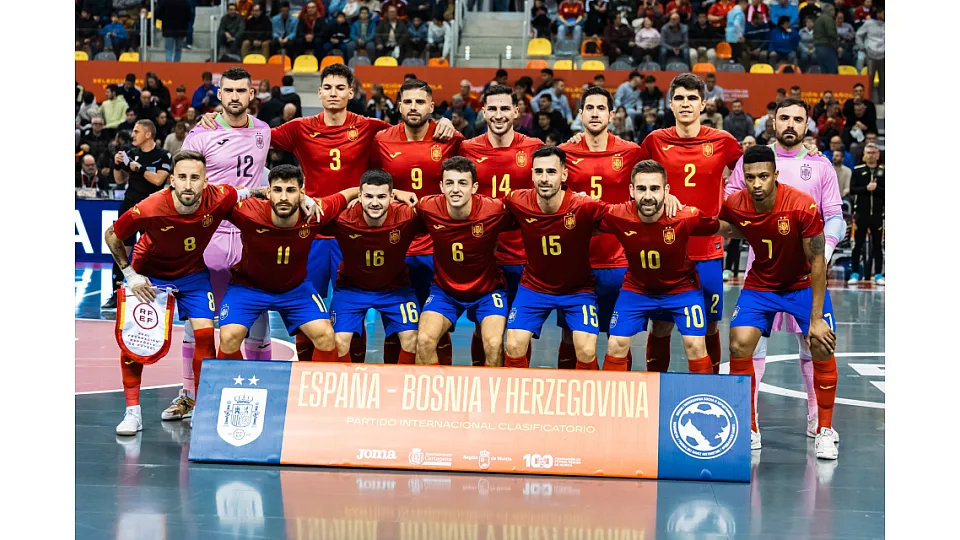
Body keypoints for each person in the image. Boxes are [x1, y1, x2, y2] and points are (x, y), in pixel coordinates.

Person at [197, 65, 455, 362]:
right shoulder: (299, 128)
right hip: (312, 230)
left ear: (351, 92)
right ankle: (308, 376)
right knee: (307, 315)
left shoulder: (370, 127)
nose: (334, 93)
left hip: (354, 231)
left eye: (340, 88)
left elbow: (411, 128)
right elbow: (253, 134)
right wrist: (218, 118)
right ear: (319, 93)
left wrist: (443, 122)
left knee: (352, 311)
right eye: (328, 87)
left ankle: (354, 378)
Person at [725, 97, 845, 447]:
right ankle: (748, 422)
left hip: (805, 273)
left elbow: (834, 215)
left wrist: (825, 251)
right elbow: (730, 210)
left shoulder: (820, 165)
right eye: (784, 118)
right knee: (750, 345)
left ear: (807, 125)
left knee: (812, 343)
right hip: (761, 271)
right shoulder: (752, 162)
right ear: (773, 122)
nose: (790, 124)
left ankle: (817, 419)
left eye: (797, 119)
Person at [104, 151, 238, 435]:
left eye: (195, 178)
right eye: (182, 177)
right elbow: (112, 235)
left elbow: (250, 193)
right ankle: (132, 412)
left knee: (205, 335)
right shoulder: (151, 206)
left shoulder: (220, 196)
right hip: (149, 275)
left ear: (206, 181)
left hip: (193, 275)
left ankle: (202, 406)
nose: (188, 184)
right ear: (172, 180)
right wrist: (130, 275)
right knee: (135, 341)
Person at [166, 67, 272, 422]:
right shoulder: (201, 134)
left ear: (251, 94)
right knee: (197, 315)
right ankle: (189, 394)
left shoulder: (264, 131)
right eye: (229, 91)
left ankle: (259, 394)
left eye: (242, 91)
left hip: (250, 236)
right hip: (208, 235)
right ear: (220, 94)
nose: (235, 97)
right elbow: (183, 186)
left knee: (257, 312)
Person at [639, 73, 743, 374]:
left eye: (692, 98)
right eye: (680, 98)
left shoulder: (723, 142)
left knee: (709, 326)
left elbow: (752, 173)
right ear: (671, 104)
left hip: (707, 251)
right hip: (666, 252)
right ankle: (655, 387)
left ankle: (711, 389)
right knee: (661, 325)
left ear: (703, 104)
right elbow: (632, 181)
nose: (686, 104)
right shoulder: (655, 141)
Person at [216, 165, 354, 362]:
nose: (283, 197)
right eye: (277, 190)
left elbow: (349, 193)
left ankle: (317, 383)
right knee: (228, 337)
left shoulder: (315, 212)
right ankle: (230, 382)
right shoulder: (249, 212)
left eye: (291, 190)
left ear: (302, 194)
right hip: (248, 288)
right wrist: (253, 192)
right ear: (268, 192)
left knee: (326, 336)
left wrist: (395, 194)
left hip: (295, 290)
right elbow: (215, 197)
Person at [372, 79, 465, 364]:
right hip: (395, 243)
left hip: (437, 244)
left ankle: (440, 383)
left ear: (431, 106)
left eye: (420, 102)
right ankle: (394, 382)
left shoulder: (450, 138)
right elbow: (369, 184)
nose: (414, 107)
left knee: (437, 323)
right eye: (408, 102)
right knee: (395, 324)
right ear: (399, 106)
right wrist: (394, 193)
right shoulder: (382, 140)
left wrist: (448, 124)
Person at [599, 160, 719, 373]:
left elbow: (723, 227)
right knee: (616, 344)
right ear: (631, 190)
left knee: (696, 345)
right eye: (641, 189)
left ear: (666, 190)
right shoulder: (618, 214)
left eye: (654, 188)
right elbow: (585, 217)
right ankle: (618, 395)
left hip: (682, 289)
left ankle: (704, 392)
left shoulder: (686, 216)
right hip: (637, 289)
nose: (648, 196)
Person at [559, 86, 647, 370]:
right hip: (576, 263)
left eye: (601, 108)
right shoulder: (563, 154)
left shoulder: (631, 152)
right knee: (570, 336)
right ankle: (571, 393)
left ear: (611, 114)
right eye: (589, 108)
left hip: (618, 261)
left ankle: (618, 394)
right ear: (580, 114)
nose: (595, 113)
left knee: (619, 338)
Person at [458, 84, 543, 364]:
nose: (498, 114)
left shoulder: (534, 148)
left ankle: (516, 383)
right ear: (483, 112)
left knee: (519, 332)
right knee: (483, 327)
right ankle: (481, 377)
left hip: (522, 254)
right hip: (483, 254)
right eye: (492, 108)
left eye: (505, 108)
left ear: (516, 111)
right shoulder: (467, 149)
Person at [502, 146, 607, 370]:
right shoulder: (518, 200)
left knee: (586, 349)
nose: (544, 178)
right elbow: (484, 209)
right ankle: (519, 392)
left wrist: (665, 201)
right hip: (533, 288)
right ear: (532, 175)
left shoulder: (584, 205)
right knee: (513, 345)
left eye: (551, 172)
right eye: (539, 172)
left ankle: (586, 391)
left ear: (564, 175)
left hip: (577, 291)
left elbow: (625, 214)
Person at [416, 157, 514, 366]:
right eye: (449, 183)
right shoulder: (427, 207)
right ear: (441, 186)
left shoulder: (494, 210)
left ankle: (490, 387)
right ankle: (436, 387)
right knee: (423, 341)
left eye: (462, 183)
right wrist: (397, 193)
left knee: (494, 343)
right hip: (445, 291)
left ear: (474, 187)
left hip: (488, 291)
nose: (455, 189)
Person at [322, 169, 422, 364]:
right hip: (351, 290)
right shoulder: (343, 219)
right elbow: (318, 209)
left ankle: (400, 382)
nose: (375, 203)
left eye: (381, 197)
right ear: (359, 196)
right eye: (368, 196)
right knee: (339, 341)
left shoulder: (407, 216)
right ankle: (346, 382)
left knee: (413, 339)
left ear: (392, 197)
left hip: (396, 289)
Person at [103, 120, 173, 310]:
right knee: (121, 249)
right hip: (129, 205)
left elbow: (159, 180)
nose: (132, 135)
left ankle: (155, 294)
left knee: (151, 252)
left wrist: (139, 168)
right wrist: (117, 165)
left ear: (148, 134)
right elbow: (120, 179)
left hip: (153, 208)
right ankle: (116, 294)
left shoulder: (163, 155)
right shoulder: (131, 153)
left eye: (136, 131)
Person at [847, 143, 884, 286]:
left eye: (874, 153)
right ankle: (855, 273)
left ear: (878, 155)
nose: (871, 155)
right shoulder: (857, 170)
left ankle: (878, 274)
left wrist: (877, 188)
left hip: (877, 215)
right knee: (858, 245)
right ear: (864, 155)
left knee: (877, 245)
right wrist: (866, 188)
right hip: (861, 214)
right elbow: (852, 189)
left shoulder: (883, 171)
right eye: (868, 153)